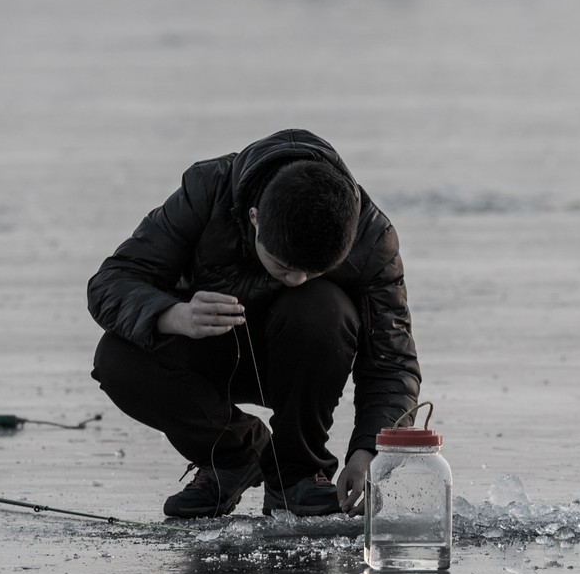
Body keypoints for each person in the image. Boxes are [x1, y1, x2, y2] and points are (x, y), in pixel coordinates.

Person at [87, 129, 421, 519]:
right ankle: (233, 455)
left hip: (304, 359)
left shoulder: (373, 236)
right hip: (210, 347)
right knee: (116, 357)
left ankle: (296, 475)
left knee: (322, 305)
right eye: (284, 266)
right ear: (255, 218)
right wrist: (174, 315)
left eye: (313, 271)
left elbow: (392, 363)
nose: (295, 280)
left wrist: (368, 454)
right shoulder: (207, 190)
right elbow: (111, 281)